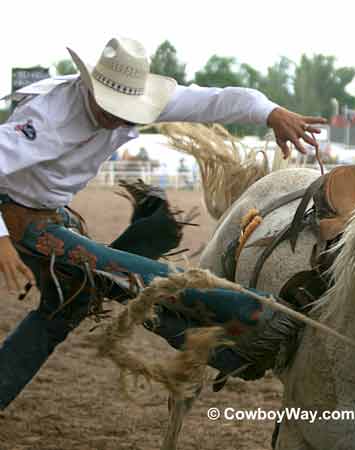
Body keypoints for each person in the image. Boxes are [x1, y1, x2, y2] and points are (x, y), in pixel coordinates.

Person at [0, 37, 327, 409]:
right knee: (127, 274)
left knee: (66, 308)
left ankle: (230, 350)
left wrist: (272, 112)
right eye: (113, 108)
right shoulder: (48, 116)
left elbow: (216, 100)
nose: (121, 117)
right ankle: (251, 316)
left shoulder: (137, 101)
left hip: (51, 212)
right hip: (21, 215)